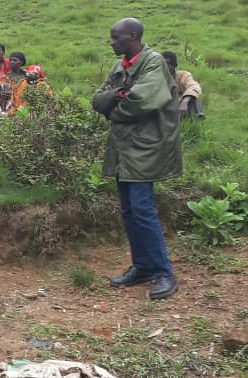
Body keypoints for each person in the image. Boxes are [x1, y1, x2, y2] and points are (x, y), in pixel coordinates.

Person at [92, 18, 180, 300]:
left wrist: (115, 110)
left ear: (133, 36)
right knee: (129, 210)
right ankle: (143, 266)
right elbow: (98, 99)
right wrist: (118, 96)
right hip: (123, 149)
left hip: (146, 147)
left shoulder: (154, 63)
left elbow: (142, 101)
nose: (112, 43)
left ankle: (164, 272)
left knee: (142, 208)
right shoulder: (120, 67)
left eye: (116, 38)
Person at [161, 51, 204, 118]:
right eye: (162, 64)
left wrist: (184, 102)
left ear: (175, 65)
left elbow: (194, 87)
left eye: (167, 64)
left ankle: (196, 121)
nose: (164, 67)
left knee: (194, 98)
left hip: (181, 107)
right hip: (164, 109)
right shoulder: (155, 78)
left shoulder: (183, 75)